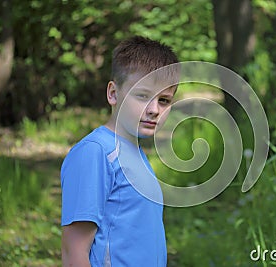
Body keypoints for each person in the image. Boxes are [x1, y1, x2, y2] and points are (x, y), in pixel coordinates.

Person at [61, 36, 179, 267]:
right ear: (113, 94)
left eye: (164, 100)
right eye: (142, 96)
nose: (154, 110)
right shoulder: (95, 152)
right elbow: (73, 253)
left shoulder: (136, 153)